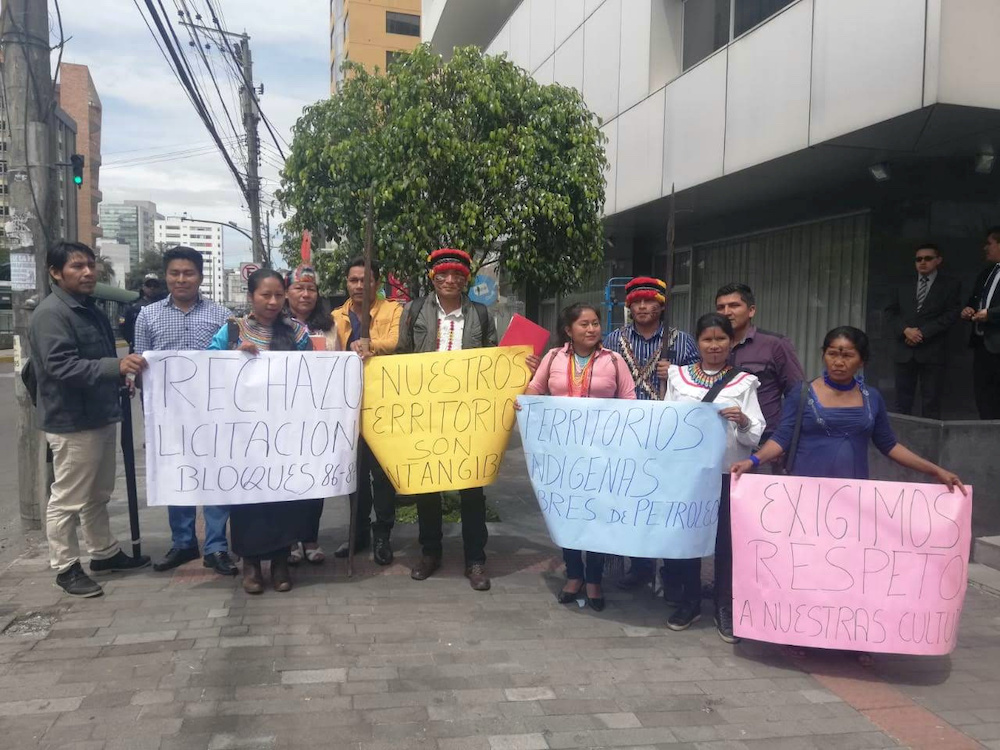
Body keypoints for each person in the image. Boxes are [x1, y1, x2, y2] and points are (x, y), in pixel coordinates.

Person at [397, 248, 539, 590]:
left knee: (471, 487)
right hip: (425, 412)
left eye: (458, 275)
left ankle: (476, 559)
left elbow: (492, 358)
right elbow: (401, 356)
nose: (450, 280)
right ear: (434, 278)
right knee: (426, 485)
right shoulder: (414, 310)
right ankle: (430, 552)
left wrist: (521, 366)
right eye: (444, 275)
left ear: (466, 280)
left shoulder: (480, 313)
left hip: (468, 415)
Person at [28, 241, 150, 598]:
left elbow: (97, 359)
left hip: (97, 413)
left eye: (90, 265)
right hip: (71, 419)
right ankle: (65, 567)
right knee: (68, 497)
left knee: (97, 492)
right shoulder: (52, 313)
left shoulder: (87, 308)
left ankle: (104, 553)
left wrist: (117, 378)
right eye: (77, 266)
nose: (88, 272)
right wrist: (116, 367)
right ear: (55, 272)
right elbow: (60, 365)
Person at [731, 325, 964, 485]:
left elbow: (889, 445)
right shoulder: (801, 393)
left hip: (854, 494)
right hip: (803, 492)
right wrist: (751, 461)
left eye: (847, 356)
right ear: (824, 355)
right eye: (832, 354)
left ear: (862, 361)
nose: (839, 362)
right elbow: (781, 439)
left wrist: (935, 470)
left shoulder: (872, 398)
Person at [522, 303, 636, 611]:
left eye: (595, 323)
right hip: (562, 454)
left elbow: (630, 402)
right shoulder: (554, 358)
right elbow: (535, 388)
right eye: (584, 324)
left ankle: (595, 579)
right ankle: (574, 575)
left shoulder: (614, 361)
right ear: (568, 329)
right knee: (568, 512)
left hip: (601, 455)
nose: (591, 329)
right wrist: (526, 406)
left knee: (596, 514)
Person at [207, 268, 313, 594]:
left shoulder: (297, 332)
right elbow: (206, 367)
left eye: (278, 295)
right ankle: (250, 565)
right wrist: (232, 356)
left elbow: (313, 375)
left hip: (285, 433)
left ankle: (280, 563)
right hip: (244, 436)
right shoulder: (232, 330)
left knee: (284, 499)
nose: (272, 301)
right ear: (250, 296)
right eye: (265, 295)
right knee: (248, 500)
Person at [134, 246, 236, 577]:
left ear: (200, 277)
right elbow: (139, 364)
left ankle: (217, 546)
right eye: (175, 273)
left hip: (214, 413)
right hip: (169, 417)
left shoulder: (221, 315)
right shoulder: (147, 316)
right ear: (166, 276)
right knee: (178, 476)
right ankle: (183, 542)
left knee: (217, 478)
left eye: (188, 273)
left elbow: (229, 363)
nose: (181, 279)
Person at [663, 313, 765, 642]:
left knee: (726, 543)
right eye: (707, 339)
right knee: (690, 538)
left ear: (731, 342)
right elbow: (667, 422)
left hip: (727, 473)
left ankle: (725, 606)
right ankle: (690, 600)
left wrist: (744, 420)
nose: (714, 345)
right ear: (697, 343)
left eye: (721, 339)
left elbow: (756, 435)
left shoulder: (744, 383)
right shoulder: (677, 378)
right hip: (689, 475)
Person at [604, 276, 699, 591]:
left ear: (661, 304)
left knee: (667, 502)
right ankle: (639, 567)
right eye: (637, 302)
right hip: (626, 435)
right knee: (633, 501)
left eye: (649, 301)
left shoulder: (681, 341)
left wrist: (676, 374)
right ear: (629, 306)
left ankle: (671, 573)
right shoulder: (614, 340)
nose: (643, 307)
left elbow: (700, 383)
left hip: (668, 437)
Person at [331, 257, 402, 565]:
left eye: (366, 280)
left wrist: (371, 344)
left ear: (377, 283)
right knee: (354, 476)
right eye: (354, 280)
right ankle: (357, 534)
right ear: (347, 283)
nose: (360, 285)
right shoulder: (335, 316)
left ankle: (382, 535)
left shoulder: (394, 310)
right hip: (347, 409)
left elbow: (398, 340)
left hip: (384, 406)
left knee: (383, 476)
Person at [283, 263, 334, 566]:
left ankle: (310, 537)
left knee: (315, 480)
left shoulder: (327, 326)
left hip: (318, 415)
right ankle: (289, 540)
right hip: (283, 415)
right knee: (287, 479)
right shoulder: (274, 323)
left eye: (311, 288)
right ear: (287, 292)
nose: (305, 293)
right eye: (298, 288)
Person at [716, 283, 804, 441]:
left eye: (734, 306)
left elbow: (797, 394)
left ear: (751, 310)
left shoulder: (775, 345)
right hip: (721, 439)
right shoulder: (712, 347)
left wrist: (783, 440)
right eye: (721, 307)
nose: (727, 312)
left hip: (763, 442)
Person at [884, 244, 962, 419]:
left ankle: (929, 444)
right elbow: (890, 312)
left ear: (938, 260)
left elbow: (951, 314)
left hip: (932, 350)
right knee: (902, 401)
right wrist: (906, 330)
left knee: (931, 400)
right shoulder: (902, 283)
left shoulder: (950, 285)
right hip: (904, 349)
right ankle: (902, 441)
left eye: (928, 258)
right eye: (918, 259)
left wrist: (922, 333)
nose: (922, 262)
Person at [961, 227, 1000, 419]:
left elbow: (991, 310)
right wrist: (969, 310)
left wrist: (990, 315)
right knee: (983, 394)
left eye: (989, 244)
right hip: (982, 344)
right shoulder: (987, 272)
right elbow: (975, 300)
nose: (985, 248)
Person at [120, 274, 165, 352]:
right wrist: (132, 341)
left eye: (155, 286)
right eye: (149, 285)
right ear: (143, 287)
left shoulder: (165, 305)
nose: (152, 288)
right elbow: (124, 327)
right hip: (137, 348)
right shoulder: (133, 306)